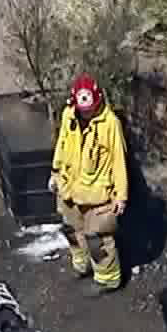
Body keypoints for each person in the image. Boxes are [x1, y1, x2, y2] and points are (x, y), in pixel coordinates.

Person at [50, 74, 128, 295]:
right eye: (83, 109)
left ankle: (108, 280)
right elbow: (62, 145)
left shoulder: (110, 124)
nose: (87, 113)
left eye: (90, 108)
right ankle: (81, 265)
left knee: (99, 239)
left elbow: (118, 160)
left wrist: (120, 195)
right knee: (71, 229)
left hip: (98, 195)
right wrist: (55, 172)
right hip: (69, 188)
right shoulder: (68, 116)